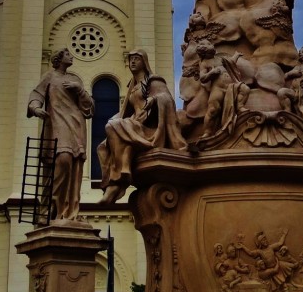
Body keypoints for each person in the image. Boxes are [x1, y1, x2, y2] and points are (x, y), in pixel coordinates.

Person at [98, 50, 186, 204]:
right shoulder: (132, 86)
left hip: (150, 129)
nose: (132, 62)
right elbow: (126, 112)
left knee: (115, 127)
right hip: (134, 124)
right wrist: (117, 117)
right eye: (131, 59)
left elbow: (167, 100)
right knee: (103, 144)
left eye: (136, 59)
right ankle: (118, 175)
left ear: (144, 62)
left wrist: (155, 99)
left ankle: (117, 181)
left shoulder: (153, 81)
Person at [28, 48, 94, 221]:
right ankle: (53, 207)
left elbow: (89, 108)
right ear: (58, 59)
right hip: (57, 123)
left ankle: (68, 211)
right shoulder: (49, 77)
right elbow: (37, 94)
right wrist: (36, 108)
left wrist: (79, 90)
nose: (72, 56)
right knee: (63, 160)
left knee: (74, 166)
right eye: (67, 55)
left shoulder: (74, 80)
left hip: (76, 124)